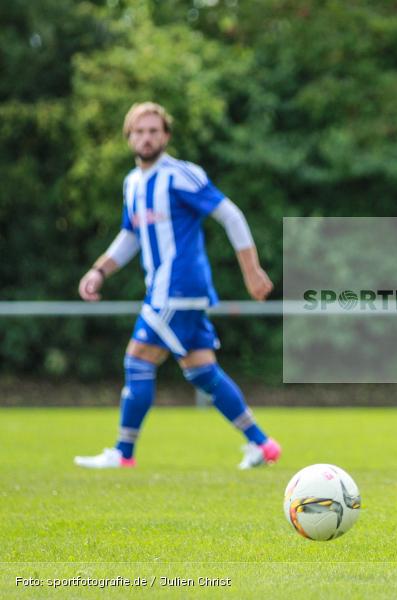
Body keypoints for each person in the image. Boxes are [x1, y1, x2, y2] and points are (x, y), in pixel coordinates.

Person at [74, 102, 281, 470]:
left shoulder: (181, 175)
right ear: (129, 137)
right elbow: (131, 235)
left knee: (137, 359)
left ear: (166, 136)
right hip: (170, 291)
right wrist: (99, 271)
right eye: (139, 131)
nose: (147, 137)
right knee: (202, 370)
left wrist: (251, 270)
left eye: (154, 130)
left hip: (179, 287)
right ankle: (261, 445)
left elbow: (230, 214)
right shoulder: (132, 183)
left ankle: (123, 454)